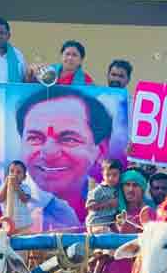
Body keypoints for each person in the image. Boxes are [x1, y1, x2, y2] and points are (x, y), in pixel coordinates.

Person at [15, 86, 113, 226]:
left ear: (100, 151)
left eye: (69, 139)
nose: (49, 152)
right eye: (35, 138)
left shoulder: (110, 202)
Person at [0, 160, 34, 231]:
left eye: (18, 172)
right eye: (11, 171)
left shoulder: (25, 187)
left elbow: (25, 199)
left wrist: (17, 187)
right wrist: (6, 185)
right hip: (8, 223)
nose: (14, 174)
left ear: (24, 177)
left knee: (23, 239)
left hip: (23, 224)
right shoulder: (4, 187)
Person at [85, 158, 123, 229]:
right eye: (108, 175)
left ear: (120, 174)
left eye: (114, 175)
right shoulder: (99, 190)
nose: (111, 178)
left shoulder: (119, 189)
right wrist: (108, 203)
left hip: (109, 224)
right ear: (103, 174)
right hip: (95, 223)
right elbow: (88, 206)